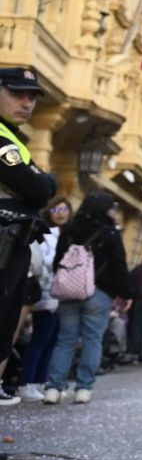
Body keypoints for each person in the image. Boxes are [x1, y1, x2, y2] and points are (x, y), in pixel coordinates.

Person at [41, 191, 135, 404]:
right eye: (111, 207)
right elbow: (119, 265)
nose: (113, 211)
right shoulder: (110, 233)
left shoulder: (71, 230)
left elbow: (58, 261)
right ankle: (84, 388)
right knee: (92, 339)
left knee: (65, 340)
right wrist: (126, 293)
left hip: (69, 292)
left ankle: (53, 389)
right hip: (98, 292)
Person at [0, 68, 57, 407]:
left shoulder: (13, 138)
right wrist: (41, 181)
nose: (27, 103)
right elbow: (38, 188)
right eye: (17, 94)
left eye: (32, 97)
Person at [18, 196, 70, 400]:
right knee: (41, 339)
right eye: (57, 209)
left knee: (52, 340)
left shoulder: (67, 235)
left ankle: (40, 381)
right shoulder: (46, 234)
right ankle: (26, 382)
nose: (61, 213)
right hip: (46, 292)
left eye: (65, 209)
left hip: (60, 294)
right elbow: (43, 261)